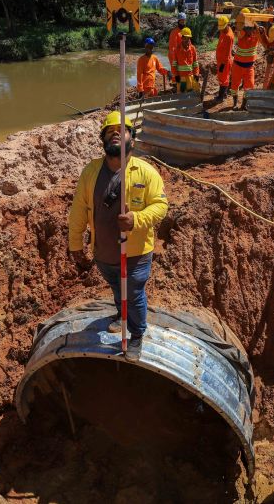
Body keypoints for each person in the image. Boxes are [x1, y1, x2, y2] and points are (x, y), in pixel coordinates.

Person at [68, 111, 169, 360]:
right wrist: (75, 243)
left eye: (121, 129)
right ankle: (121, 314)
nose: (115, 132)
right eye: (109, 130)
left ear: (131, 140)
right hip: (103, 251)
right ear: (103, 139)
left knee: (133, 293)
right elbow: (79, 210)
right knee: (116, 288)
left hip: (135, 252)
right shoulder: (91, 171)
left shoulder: (145, 172)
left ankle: (136, 334)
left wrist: (137, 219)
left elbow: (160, 206)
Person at [231, 9, 260, 108]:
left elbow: (261, 33)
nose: (247, 28)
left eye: (249, 26)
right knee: (234, 86)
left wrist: (253, 22)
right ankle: (235, 104)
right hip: (237, 65)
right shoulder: (240, 32)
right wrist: (245, 26)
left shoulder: (256, 34)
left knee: (249, 88)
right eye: (245, 26)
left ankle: (243, 105)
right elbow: (239, 33)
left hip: (249, 67)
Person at [172, 27, 200, 93]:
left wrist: (196, 73)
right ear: (182, 38)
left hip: (190, 76)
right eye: (185, 38)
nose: (186, 40)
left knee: (192, 93)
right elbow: (174, 64)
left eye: (188, 38)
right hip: (181, 77)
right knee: (181, 95)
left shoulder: (192, 48)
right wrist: (176, 75)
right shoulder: (177, 49)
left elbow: (195, 63)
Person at [216, 16, 235, 99]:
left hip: (224, 61)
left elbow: (227, 53)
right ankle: (224, 94)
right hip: (221, 60)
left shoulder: (229, 37)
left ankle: (221, 96)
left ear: (228, 24)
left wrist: (223, 65)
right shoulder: (224, 30)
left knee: (223, 78)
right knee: (222, 77)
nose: (221, 30)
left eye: (223, 28)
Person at [167, 12, 187, 85]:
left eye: (183, 21)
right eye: (181, 21)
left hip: (182, 56)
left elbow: (189, 44)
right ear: (178, 21)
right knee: (176, 72)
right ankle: (175, 85)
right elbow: (173, 48)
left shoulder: (185, 31)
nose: (182, 22)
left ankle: (181, 84)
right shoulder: (174, 32)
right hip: (175, 56)